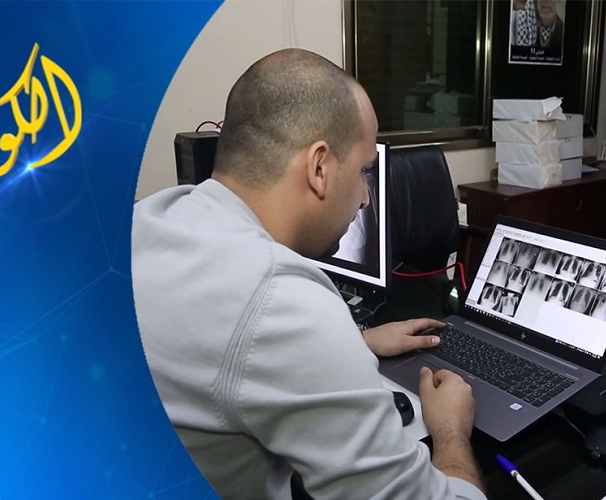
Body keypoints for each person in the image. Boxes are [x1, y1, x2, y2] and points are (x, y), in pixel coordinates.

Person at [132, 48, 486, 500]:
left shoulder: (154, 216)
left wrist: (357, 342)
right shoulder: (281, 300)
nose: (366, 197)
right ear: (319, 168)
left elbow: (223, 349)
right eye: (364, 171)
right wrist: (451, 430)